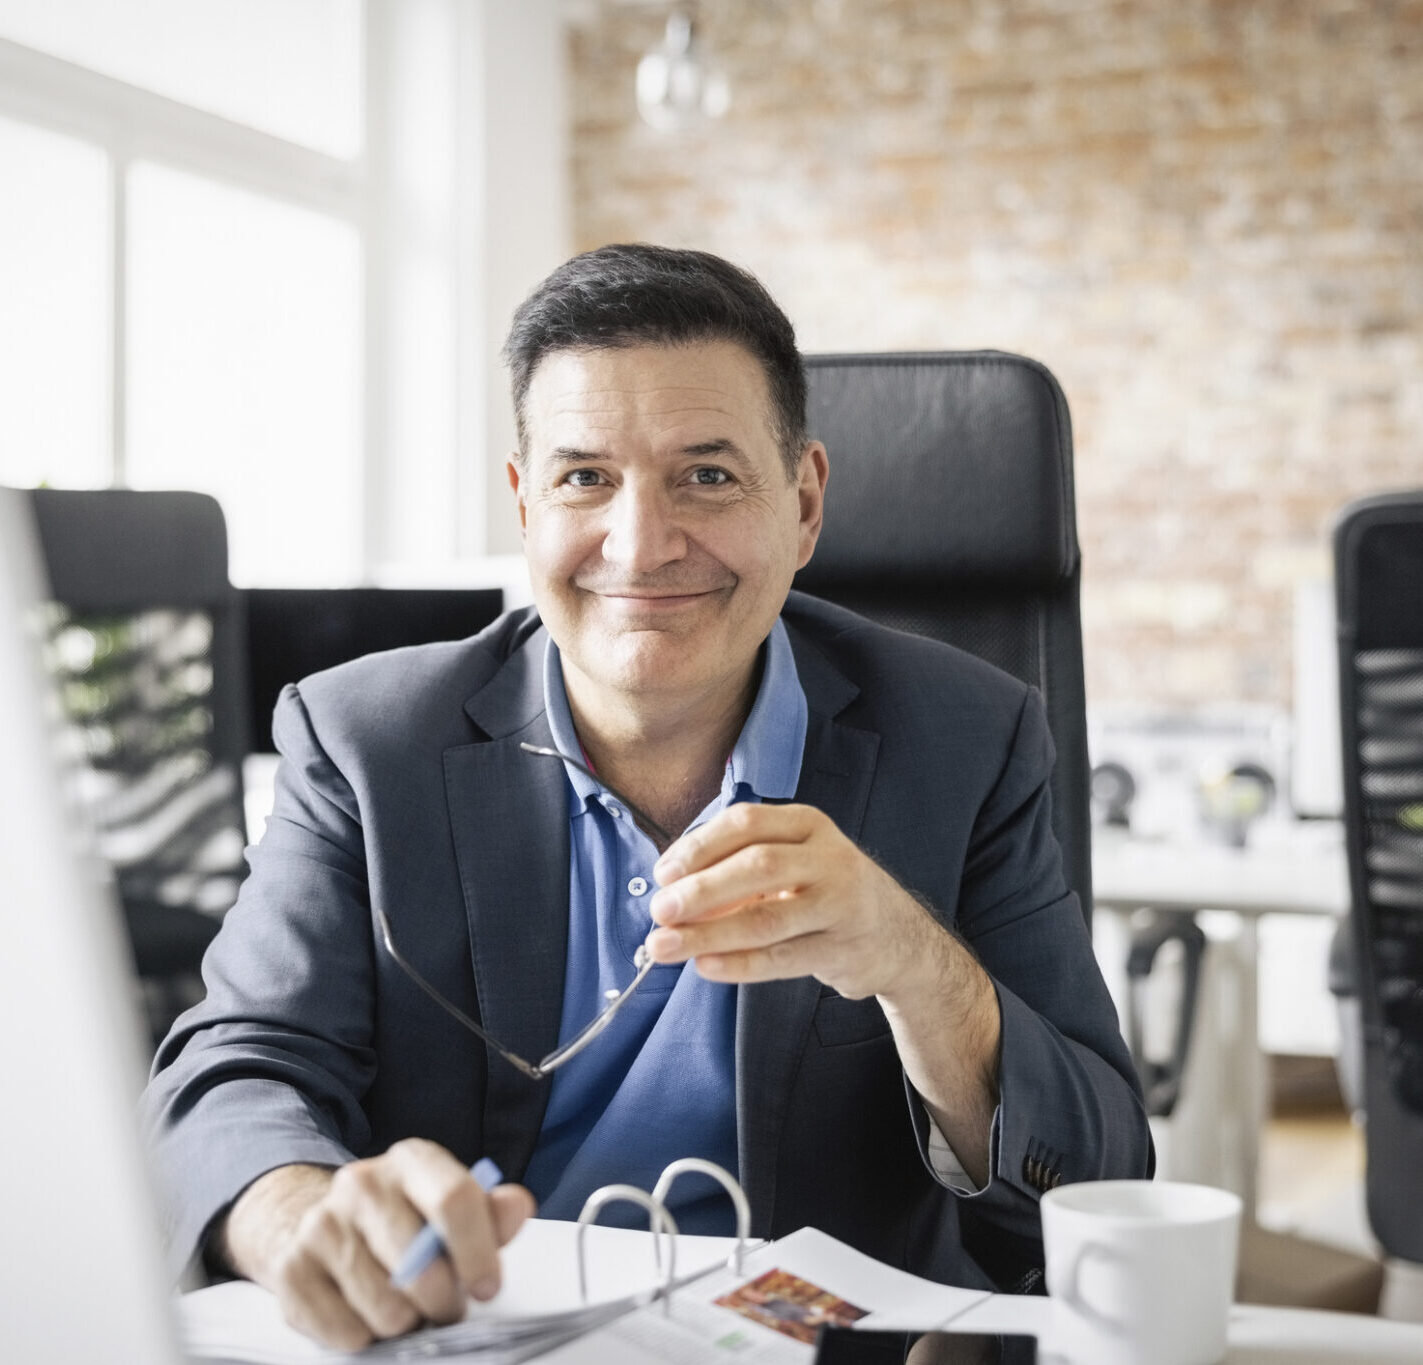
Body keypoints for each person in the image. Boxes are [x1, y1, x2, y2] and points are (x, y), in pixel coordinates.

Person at [142, 244, 1151, 1351]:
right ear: (525, 503)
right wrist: (298, 1214)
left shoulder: (966, 738)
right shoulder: (365, 741)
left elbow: (1101, 1172)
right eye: (585, 478)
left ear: (803, 504)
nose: (640, 545)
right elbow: (234, 1070)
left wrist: (917, 969)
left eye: (706, 476)